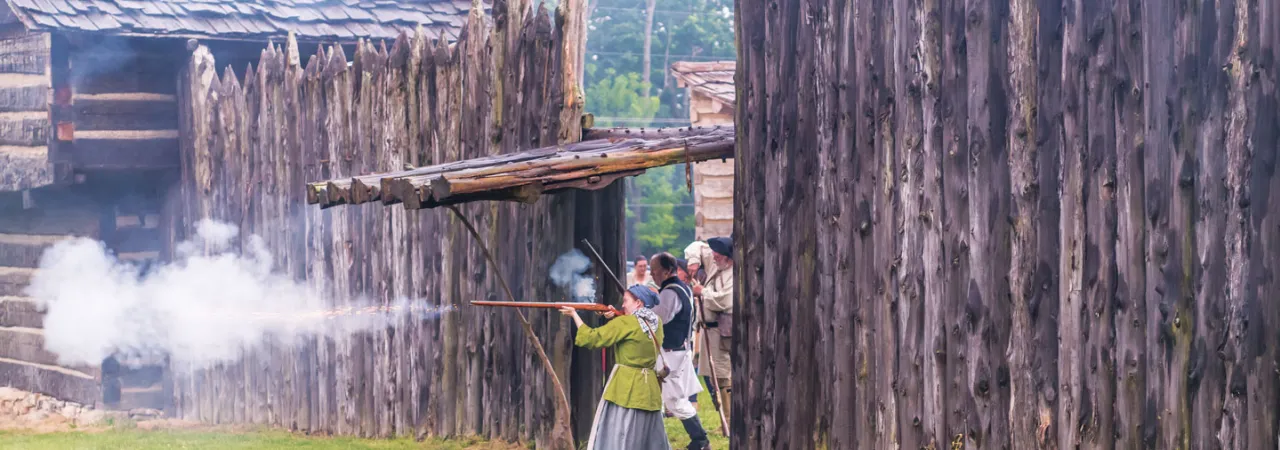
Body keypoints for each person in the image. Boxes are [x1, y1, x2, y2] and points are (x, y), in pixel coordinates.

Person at [561, 285, 671, 450]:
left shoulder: (625, 322)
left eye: (626, 301)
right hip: (649, 391)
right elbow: (634, 336)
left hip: (625, 387)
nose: (623, 305)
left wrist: (574, 314)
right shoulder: (657, 322)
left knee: (620, 436)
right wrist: (615, 318)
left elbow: (592, 338)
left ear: (638, 303)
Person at [648, 252, 710, 450]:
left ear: (667, 271)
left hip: (671, 352)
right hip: (676, 350)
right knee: (661, 398)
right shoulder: (680, 288)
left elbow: (659, 319)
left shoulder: (670, 292)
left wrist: (639, 310)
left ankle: (700, 440)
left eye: (655, 271)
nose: (652, 274)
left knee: (675, 401)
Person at [694, 237, 733, 423]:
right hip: (707, 330)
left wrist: (703, 292)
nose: (714, 256)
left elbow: (725, 301)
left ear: (728, 257)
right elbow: (696, 247)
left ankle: (729, 419)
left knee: (723, 377)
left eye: (718, 254)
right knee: (711, 377)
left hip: (720, 331)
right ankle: (723, 420)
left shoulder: (732, 273)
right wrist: (693, 261)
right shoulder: (716, 266)